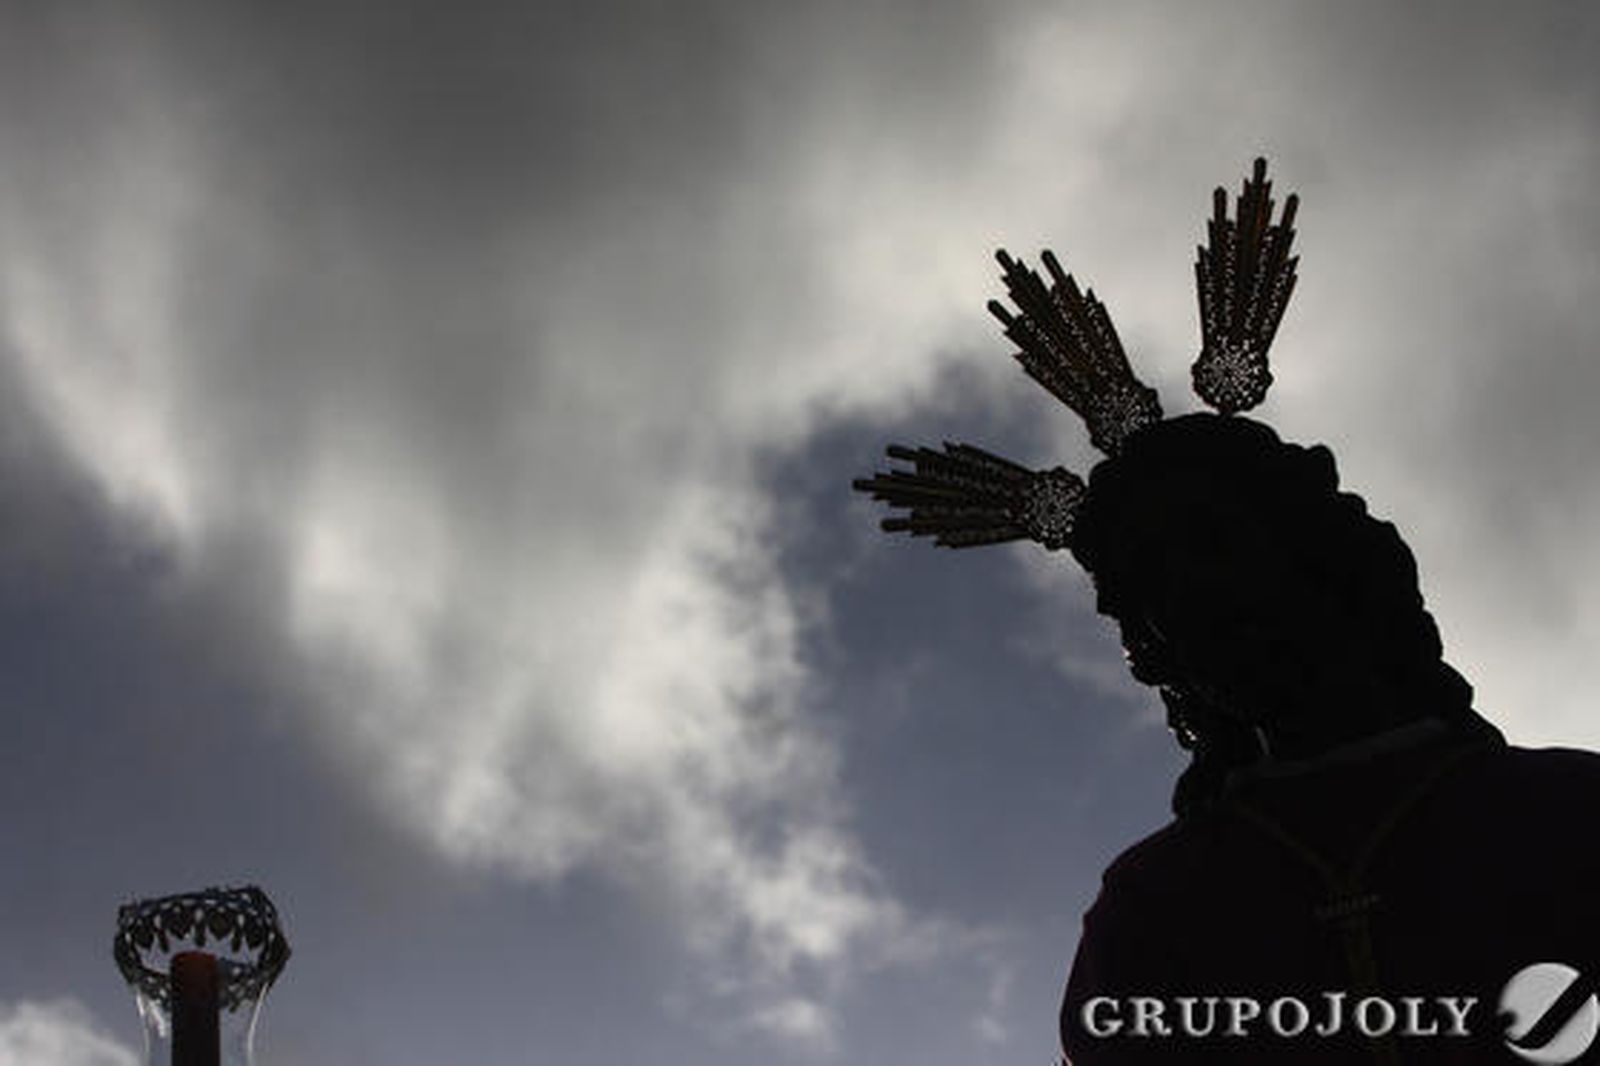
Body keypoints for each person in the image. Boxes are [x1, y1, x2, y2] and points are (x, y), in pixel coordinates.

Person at [851, 160, 1600, 1064]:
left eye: (1212, 545)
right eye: (1154, 589)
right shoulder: (1156, 905)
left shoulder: (1566, 812)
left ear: (1320, 554)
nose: (1194, 601)